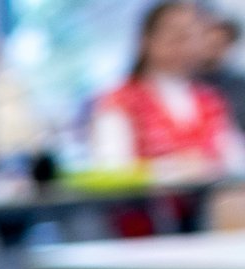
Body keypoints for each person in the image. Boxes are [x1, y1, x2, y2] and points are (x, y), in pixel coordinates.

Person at [92, 1, 245, 178]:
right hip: (147, 203)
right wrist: (173, 168)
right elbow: (112, 170)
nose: (185, 45)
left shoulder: (209, 99)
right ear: (146, 40)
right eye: (176, 35)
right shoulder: (120, 99)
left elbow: (235, 163)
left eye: (191, 36)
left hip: (209, 201)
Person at [203, 13, 245, 132]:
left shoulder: (239, 85)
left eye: (220, 43)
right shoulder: (186, 81)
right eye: (210, 42)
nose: (213, 48)